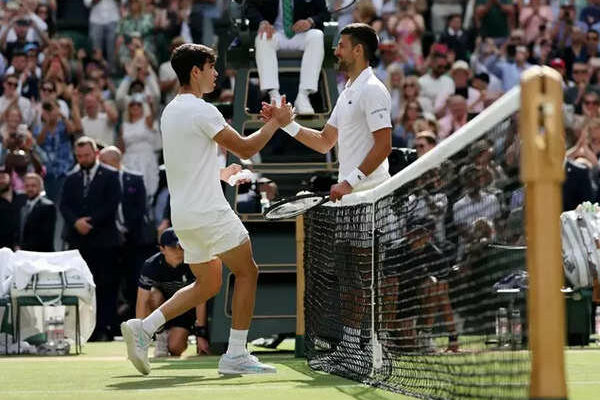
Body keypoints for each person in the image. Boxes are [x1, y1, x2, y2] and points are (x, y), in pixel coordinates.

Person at [120, 43, 294, 375]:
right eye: (211, 67)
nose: (216, 73)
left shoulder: (170, 111)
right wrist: (278, 123)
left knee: (209, 282)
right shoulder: (203, 110)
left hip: (184, 217)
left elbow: (184, 164)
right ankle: (235, 355)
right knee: (248, 272)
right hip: (209, 212)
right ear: (195, 71)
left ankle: (144, 327)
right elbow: (245, 147)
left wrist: (219, 174)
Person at [261, 23, 392, 200]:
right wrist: (286, 124)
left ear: (358, 50)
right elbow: (325, 141)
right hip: (351, 196)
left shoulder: (372, 89)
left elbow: (384, 146)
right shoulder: (346, 94)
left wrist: (349, 183)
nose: (336, 52)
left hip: (372, 195)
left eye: (341, 46)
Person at [60, 136, 121, 341]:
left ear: (95, 153)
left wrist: (91, 222)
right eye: (79, 156)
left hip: (104, 240)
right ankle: (84, 329)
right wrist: (76, 222)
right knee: (81, 285)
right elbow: (64, 205)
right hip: (79, 242)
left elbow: (112, 204)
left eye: (86, 155)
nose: (83, 159)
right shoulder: (71, 178)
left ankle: (104, 327)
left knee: (105, 285)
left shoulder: (111, 175)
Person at [246, 0, 330, 115]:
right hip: (274, 33)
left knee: (317, 36)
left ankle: (303, 96)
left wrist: (310, 21)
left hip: (300, 34)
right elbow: (249, 7)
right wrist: (262, 22)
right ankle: (274, 95)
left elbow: (324, 13)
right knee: (263, 36)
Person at [137, 228, 211, 357]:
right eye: (172, 248)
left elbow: (201, 299)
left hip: (185, 312)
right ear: (162, 249)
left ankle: (178, 336)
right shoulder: (151, 265)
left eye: (181, 247)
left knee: (176, 348)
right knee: (154, 295)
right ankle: (160, 336)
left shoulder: (193, 263)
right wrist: (138, 340)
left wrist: (201, 334)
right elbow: (141, 302)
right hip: (162, 309)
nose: (178, 252)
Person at [18, 172, 56, 252]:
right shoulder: (21, 205)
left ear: (40, 187)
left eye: (33, 186)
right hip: (23, 253)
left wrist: (23, 248)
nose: (30, 189)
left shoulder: (48, 206)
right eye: (27, 186)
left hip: (41, 254)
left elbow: (45, 235)